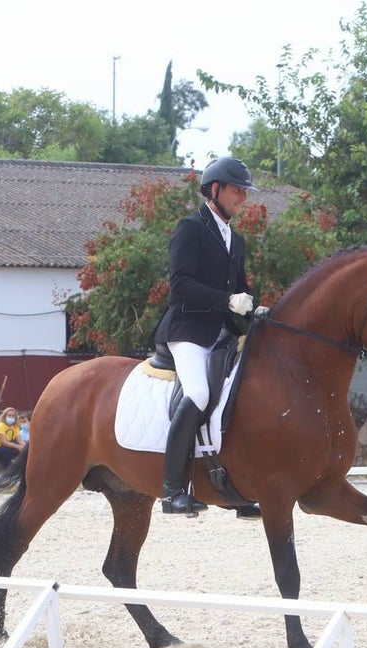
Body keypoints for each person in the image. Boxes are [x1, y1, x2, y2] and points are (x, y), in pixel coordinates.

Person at [152, 156, 258, 516]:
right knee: (198, 393)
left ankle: (236, 488)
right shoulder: (190, 228)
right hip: (189, 331)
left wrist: (255, 310)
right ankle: (171, 490)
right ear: (215, 190)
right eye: (236, 190)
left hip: (223, 334)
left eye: (244, 191)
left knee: (247, 393)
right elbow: (180, 285)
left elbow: (240, 291)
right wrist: (227, 300)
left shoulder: (236, 240)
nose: (242, 197)